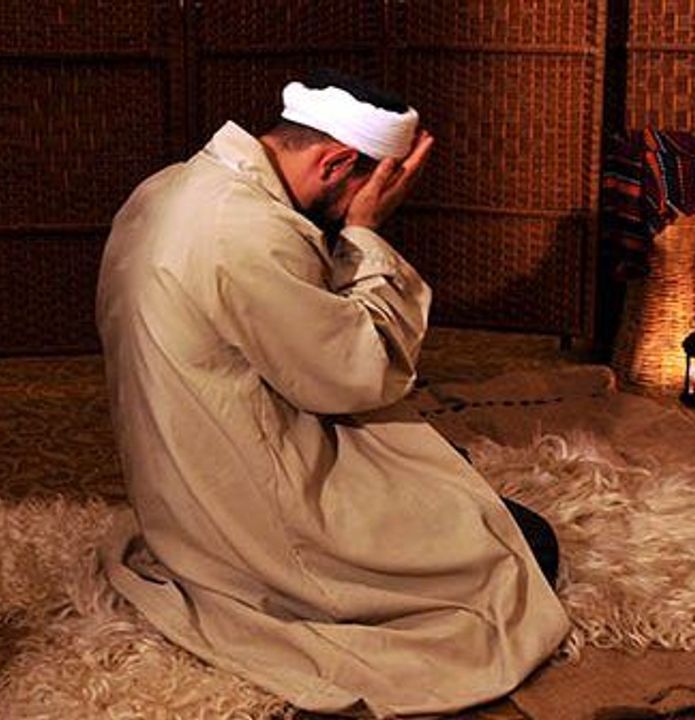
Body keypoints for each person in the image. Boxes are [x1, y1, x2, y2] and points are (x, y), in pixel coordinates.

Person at [95, 69, 569, 718]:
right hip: (249, 517)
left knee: (447, 481)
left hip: (180, 479)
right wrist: (367, 233)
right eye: (368, 188)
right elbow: (358, 376)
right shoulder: (246, 231)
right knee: (524, 550)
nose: (361, 207)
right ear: (337, 162)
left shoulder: (168, 187)